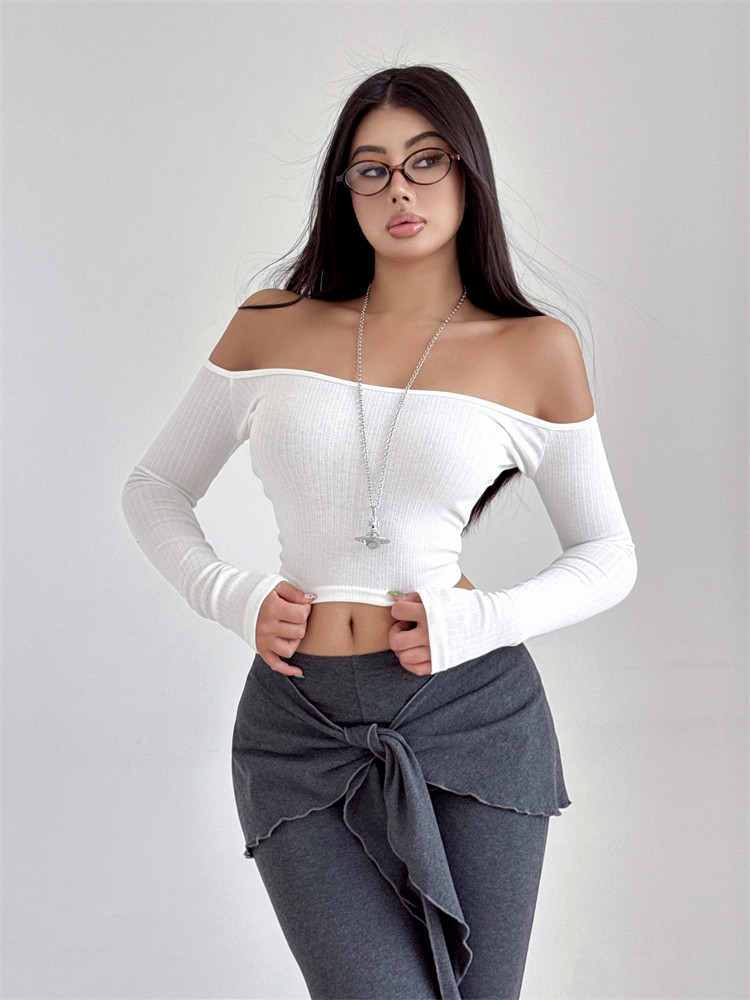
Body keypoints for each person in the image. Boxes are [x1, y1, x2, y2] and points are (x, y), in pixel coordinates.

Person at [121, 65, 637, 1000]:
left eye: (425, 160)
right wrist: (231, 596)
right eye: (372, 168)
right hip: (300, 722)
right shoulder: (271, 325)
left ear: (468, 171)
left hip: (473, 712)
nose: (400, 188)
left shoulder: (533, 347)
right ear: (345, 190)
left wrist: (481, 620)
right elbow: (154, 487)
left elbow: (609, 555)